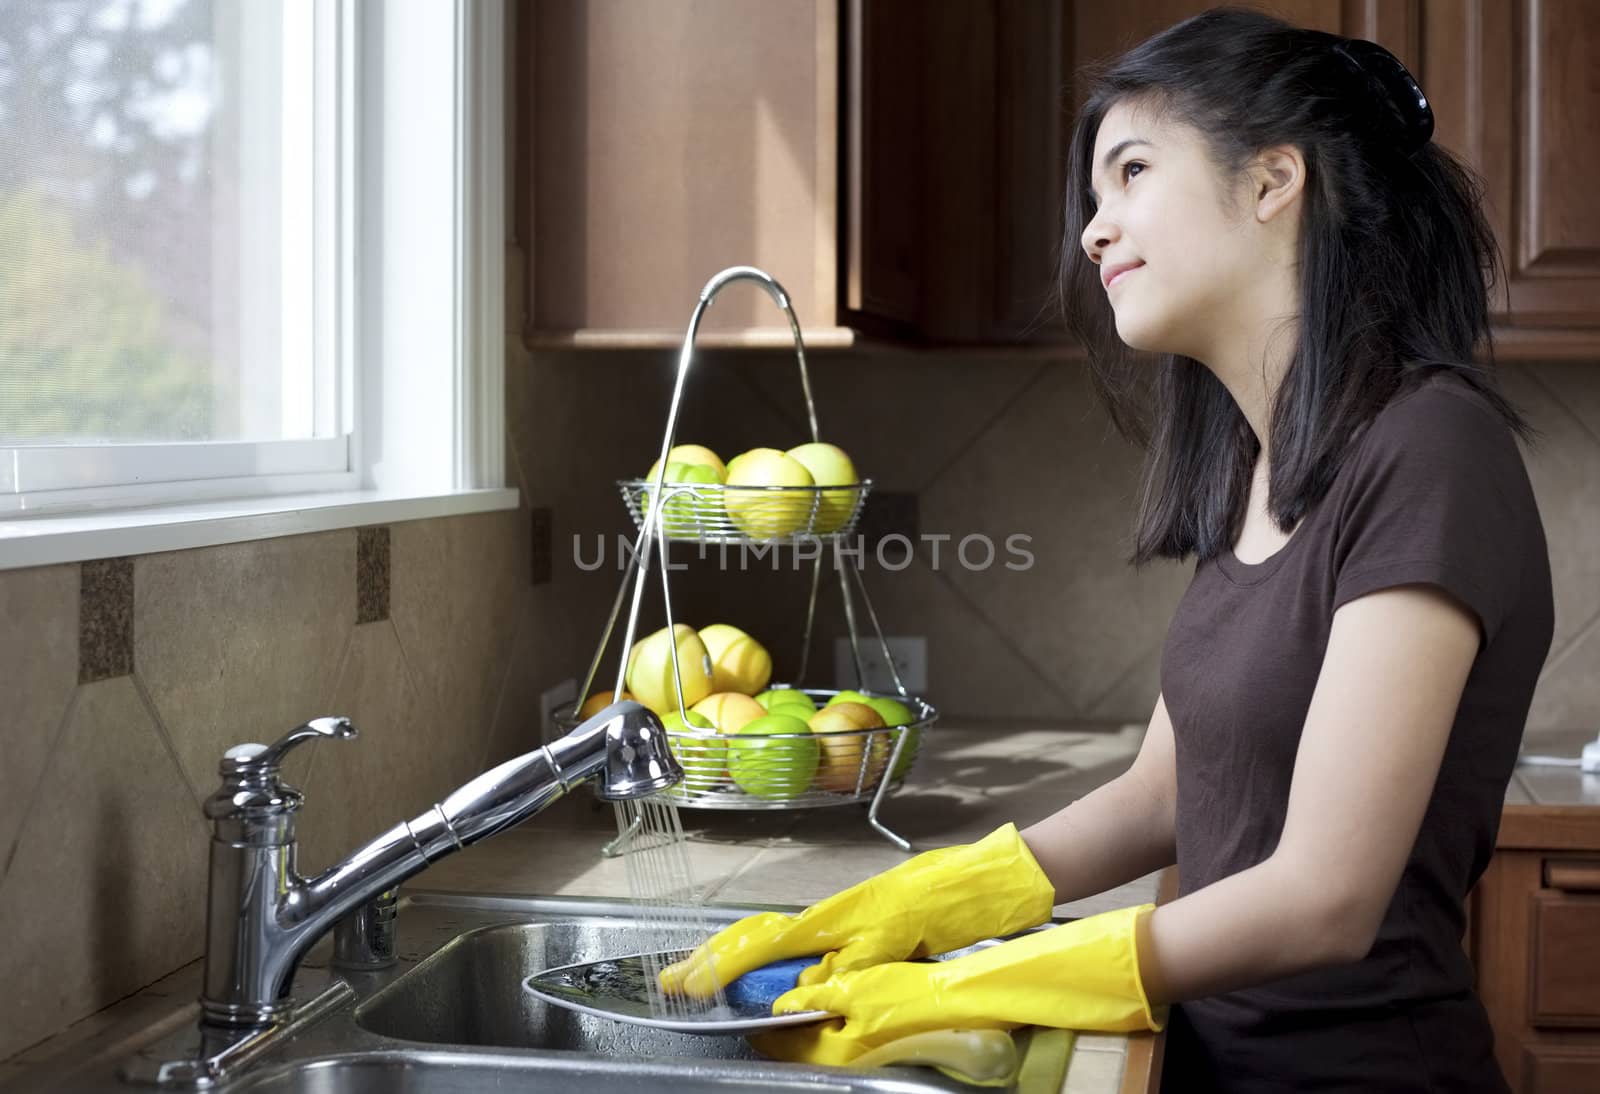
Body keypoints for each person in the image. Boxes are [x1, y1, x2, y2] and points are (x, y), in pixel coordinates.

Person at [661, 8, 1555, 1091]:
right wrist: (934, 900)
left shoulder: (1430, 450)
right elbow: (1159, 795)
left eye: (1130, 172)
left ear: (1273, 181)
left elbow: (1327, 892)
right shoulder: (1253, 461)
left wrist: (982, 980)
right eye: (1095, 196)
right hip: (1212, 1057)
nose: (1093, 229)